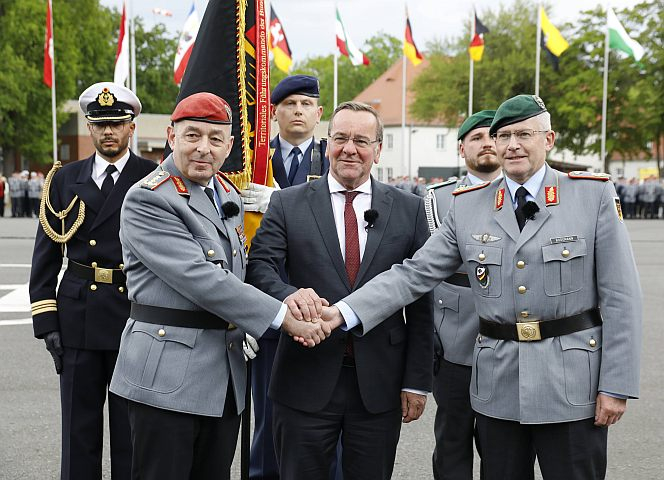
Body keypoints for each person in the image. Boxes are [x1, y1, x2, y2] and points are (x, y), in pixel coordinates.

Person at [324, 95, 642, 480]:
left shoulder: (591, 196)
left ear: (550, 139)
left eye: (524, 134)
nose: (512, 145)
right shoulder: (470, 206)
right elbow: (413, 274)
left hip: (573, 386)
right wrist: (344, 312)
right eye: (503, 135)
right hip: (498, 387)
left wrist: (616, 384)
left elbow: (621, 298)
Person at [108, 91, 329, 480]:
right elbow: (203, 279)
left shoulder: (226, 192)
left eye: (215, 139)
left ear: (229, 146)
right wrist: (283, 317)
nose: (203, 149)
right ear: (171, 137)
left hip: (223, 379)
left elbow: (240, 269)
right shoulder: (148, 198)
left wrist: (290, 295)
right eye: (192, 136)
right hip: (166, 379)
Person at [247, 101, 433, 480]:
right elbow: (260, 268)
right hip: (304, 377)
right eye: (341, 138)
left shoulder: (410, 209)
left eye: (362, 140)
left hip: (379, 385)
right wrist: (287, 295)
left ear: (379, 149)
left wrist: (417, 381)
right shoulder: (288, 202)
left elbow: (420, 300)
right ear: (326, 144)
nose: (350, 148)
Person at [28, 82, 156, 479]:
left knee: (131, 432)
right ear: (88, 127)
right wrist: (46, 321)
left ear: (131, 126)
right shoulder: (65, 179)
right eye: (99, 125)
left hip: (133, 315)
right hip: (78, 315)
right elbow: (45, 258)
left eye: (117, 123)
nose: (108, 132)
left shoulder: (151, 177)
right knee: (77, 432)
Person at [240, 74, 330, 480]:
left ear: (319, 113)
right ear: (272, 112)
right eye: (289, 103)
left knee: (328, 422)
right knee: (268, 418)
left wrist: (279, 200)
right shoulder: (251, 161)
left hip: (323, 310)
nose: (297, 111)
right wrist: (240, 315)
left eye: (306, 104)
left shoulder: (335, 158)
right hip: (269, 308)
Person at [425, 110, 505, 480]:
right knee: (453, 442)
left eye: (493, 136)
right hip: (454, 342)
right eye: (476, 138)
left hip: (507, 344)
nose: (487, 143)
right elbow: (422, 274)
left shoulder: (524, 195)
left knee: (502, 448)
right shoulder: (438, 200)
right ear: (462, 149)